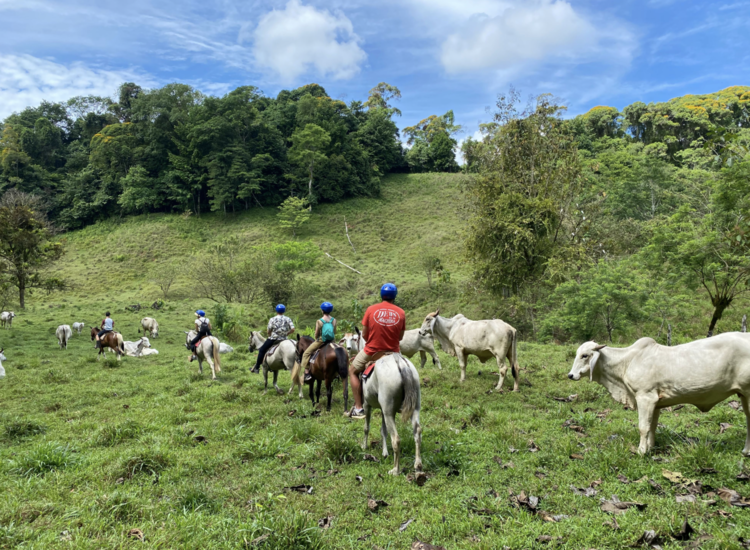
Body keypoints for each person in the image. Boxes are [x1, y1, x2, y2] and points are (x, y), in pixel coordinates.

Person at [347, 283, 405, 419]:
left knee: (352, 371)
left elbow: (365, 335)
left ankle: (359, 408)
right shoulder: (401, 312)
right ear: (394, 296)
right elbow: (400, 337)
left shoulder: (371, 309)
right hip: (394, 353)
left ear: (381, 295)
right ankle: (402, 403)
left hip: (372, 351)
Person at [252, 304, 295, 373]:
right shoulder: (288, 319)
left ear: (276, 310)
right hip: (284, 339)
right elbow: (293, 329)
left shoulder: (272, 319)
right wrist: (287, 333)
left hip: (274, 339)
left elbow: (269, 330)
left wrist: (269, 335)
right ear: (284, 311)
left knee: (262, 350)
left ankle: (257, 367)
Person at [301, 302, 337, 383]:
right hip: (332, 340)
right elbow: (334, 332)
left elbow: (316, 333)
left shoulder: (319, 321)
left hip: (322, 340)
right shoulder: (334, 320)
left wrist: (317, 339)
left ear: (322, 310)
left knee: (306, 353)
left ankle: (306, 373)